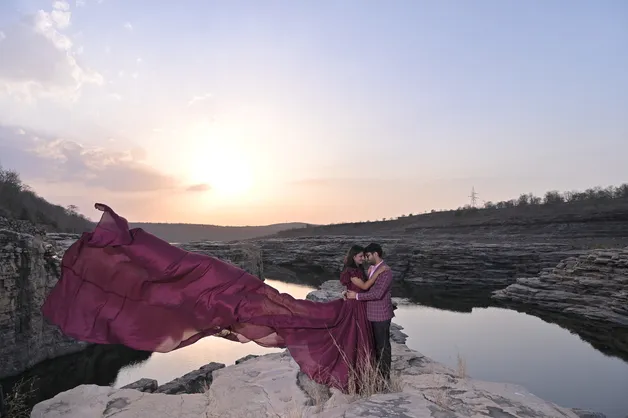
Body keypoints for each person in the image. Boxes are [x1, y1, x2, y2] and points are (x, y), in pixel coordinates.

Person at [41, 203, 374, 393]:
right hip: (237, 298)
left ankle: (333, 327)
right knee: (287, 312)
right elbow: (150, 254)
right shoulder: (184, 267)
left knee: (287, 309)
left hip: (243, 294)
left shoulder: (199, 268)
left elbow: (153, 256)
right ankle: (333, 327)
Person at [345, 243, 394, 381]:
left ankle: (385, 378)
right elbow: (365, 288)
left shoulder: (386, 272)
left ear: (376, 254)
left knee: (383, 347)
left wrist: (357, 296)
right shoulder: (372, 269)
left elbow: (378, 294)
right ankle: (374, 375)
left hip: (381, 315)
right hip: (369, 314)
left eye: (368, 255)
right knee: (373, 346)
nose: (366, 259)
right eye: (364, 256)